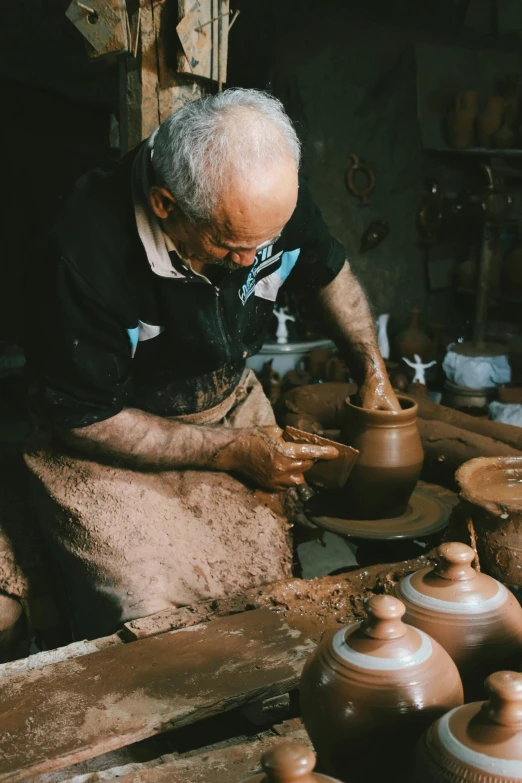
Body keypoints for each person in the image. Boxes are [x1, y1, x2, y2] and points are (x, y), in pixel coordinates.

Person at [24, 89, 400, 640]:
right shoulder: (81, 252)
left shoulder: (263, 199)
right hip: (109, 435)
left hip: (227, 403)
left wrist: (374, 370)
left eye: (265, 242)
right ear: (163, 204)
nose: (252, 260)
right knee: (152, 614)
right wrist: (233, 452)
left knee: (260, 596)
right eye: (230, 246)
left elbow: (326, 272)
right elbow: (83, 418)